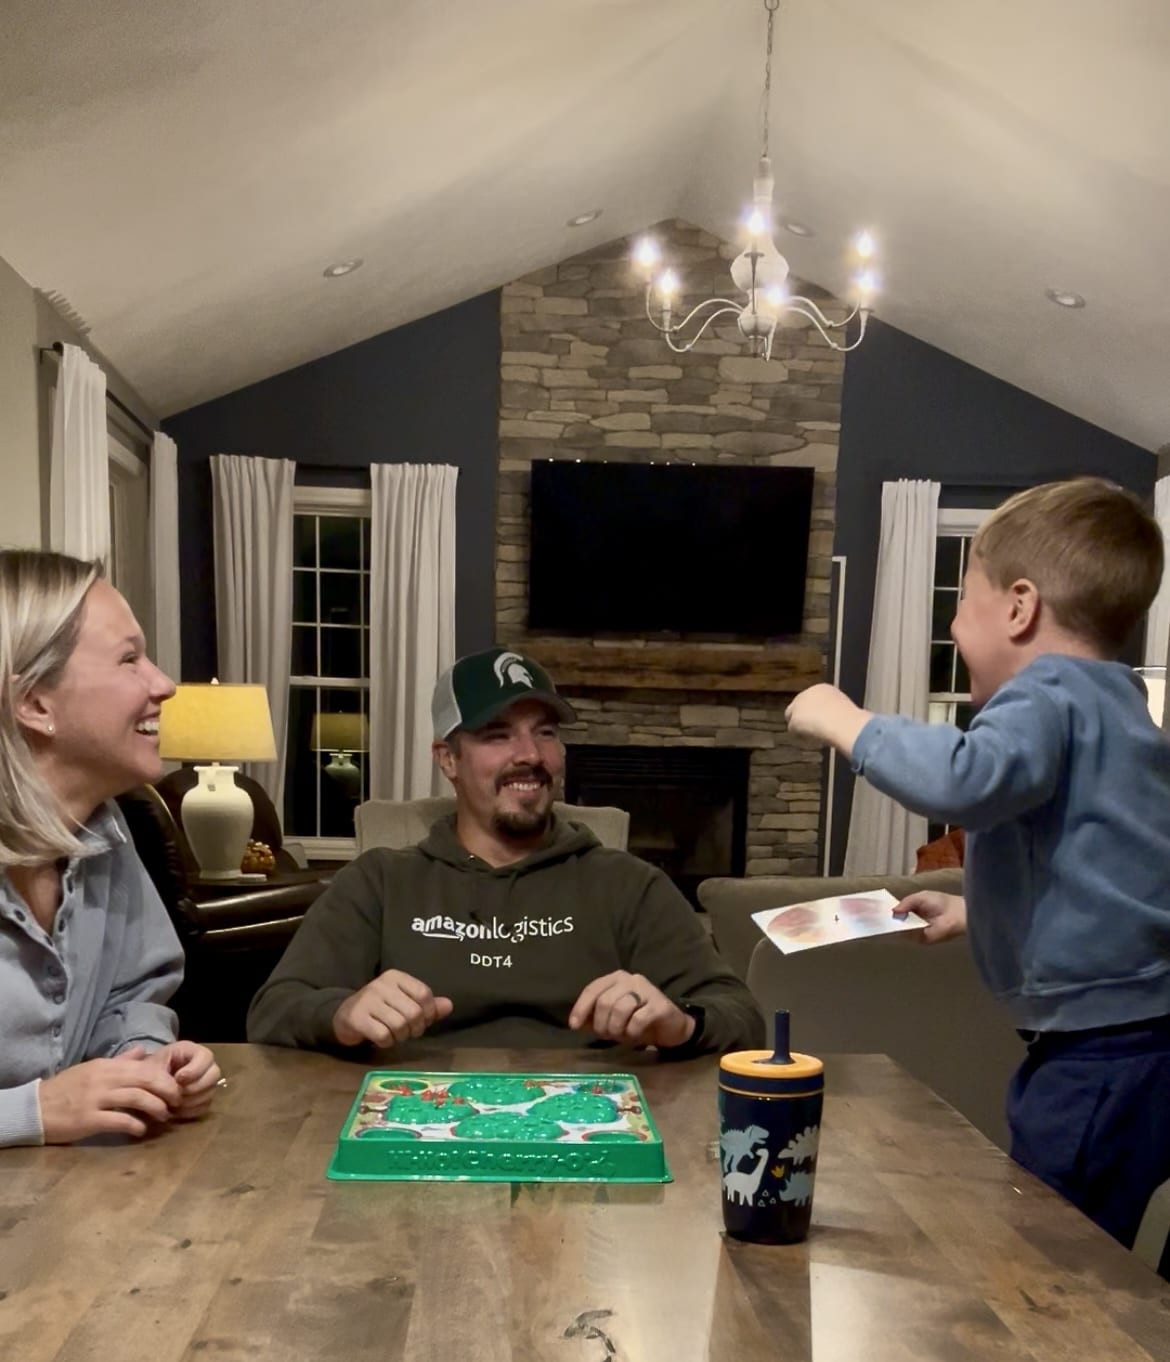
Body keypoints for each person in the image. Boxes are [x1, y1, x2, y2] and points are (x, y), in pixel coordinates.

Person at [785, 477, 1170, 1256]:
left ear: (1020, 609)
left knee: (1052, 1254)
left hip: (1096, 1053)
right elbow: (1096, 864)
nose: (954, 624)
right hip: (1146, 1034)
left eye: (962, 600)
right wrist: (973, 910)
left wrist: (846, 720)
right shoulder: (1117, 701)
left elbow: (965, 779)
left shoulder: (1046, 692)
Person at [249, 646, 763, 1056]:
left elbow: (741, 1017)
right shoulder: (381, 882)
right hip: (417, 1115)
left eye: (545, 733)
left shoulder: (628, 885)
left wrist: (680, 1024)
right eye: (498, 735)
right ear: (448, 759)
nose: (530, 755)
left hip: (586, 1121)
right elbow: (273, 1010)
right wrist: (341, 1015)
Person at [0, 550, 221, 1147]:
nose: (164, 684)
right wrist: (32, 1112)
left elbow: (132, 994)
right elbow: (48, 1110)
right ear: (35, 703)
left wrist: (145, 1064)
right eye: (130, 659)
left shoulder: (105, 830)